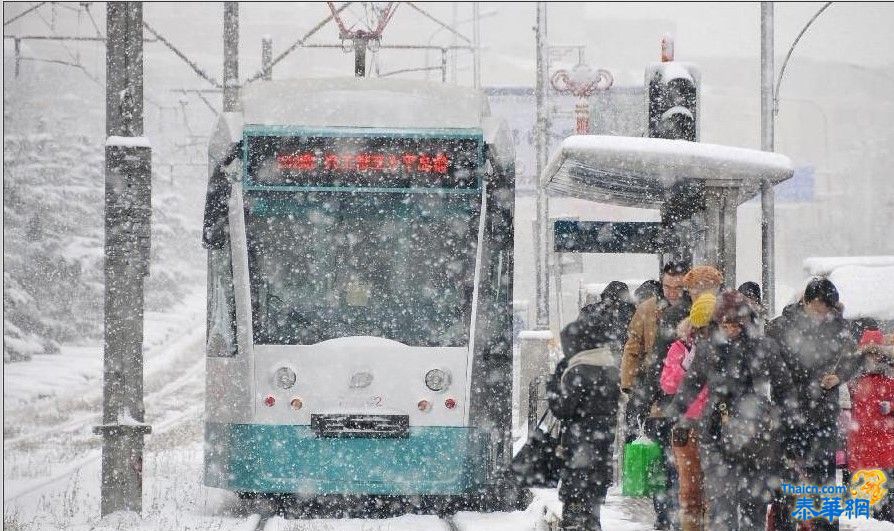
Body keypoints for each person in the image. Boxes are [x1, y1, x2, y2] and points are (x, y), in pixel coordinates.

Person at [667, 290, 795, 530]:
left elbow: (785, 388)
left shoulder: (764, 348)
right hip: (716, 431)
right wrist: (677, 415)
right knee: (721, 507)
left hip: (756, 436)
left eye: (737, 323)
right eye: (725, 323)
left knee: (753, 506)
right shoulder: (709, 349)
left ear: (747, 321)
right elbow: (691, 385)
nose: (731, 328)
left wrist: (785, 421)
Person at [766, 278, 861, 531]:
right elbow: (769, 362)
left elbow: (853, 359)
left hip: (822, 416)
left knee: (824, 483)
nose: (821, 314)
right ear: (805, 302)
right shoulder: (780, 327)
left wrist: (839, 376)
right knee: (786, 482)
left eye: (826, 309)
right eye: (817, 308)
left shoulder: (839, 329)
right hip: (788, 414)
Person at [552, 285, 632, 530]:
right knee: (595, 490)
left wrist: (555, 386)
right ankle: (592, 521)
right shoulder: (610, 370)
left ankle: (575, 521)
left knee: (577, 489)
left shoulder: (577, 371)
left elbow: (562, 409)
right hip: (603, 441)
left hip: (579, 442)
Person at [621, 262, 690, 530]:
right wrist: (629, 385)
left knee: (682, 464)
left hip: (685, 397)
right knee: (663, 462)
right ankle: (665, 517)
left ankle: (679, 515)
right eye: (667, 286)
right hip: (655, 396)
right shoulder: (647, 310)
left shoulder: (693, 311)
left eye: (677, 287)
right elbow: (633, 347)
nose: (672, 292)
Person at [659, 294, 715, 531]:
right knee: (690, 491)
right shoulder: (679, 348)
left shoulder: (726, 349)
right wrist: (686, 366)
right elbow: (668, 384)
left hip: (716, 425)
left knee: (715, 491)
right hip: (687, 425)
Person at [846, 327, 894, 522]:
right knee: (862, 508)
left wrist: (890, 406)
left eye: (875, 353)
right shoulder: (852, 380)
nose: (872, 358)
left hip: (885, 448)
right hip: (860, 449)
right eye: (868, 353)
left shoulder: (890, 377)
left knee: (886, 505)